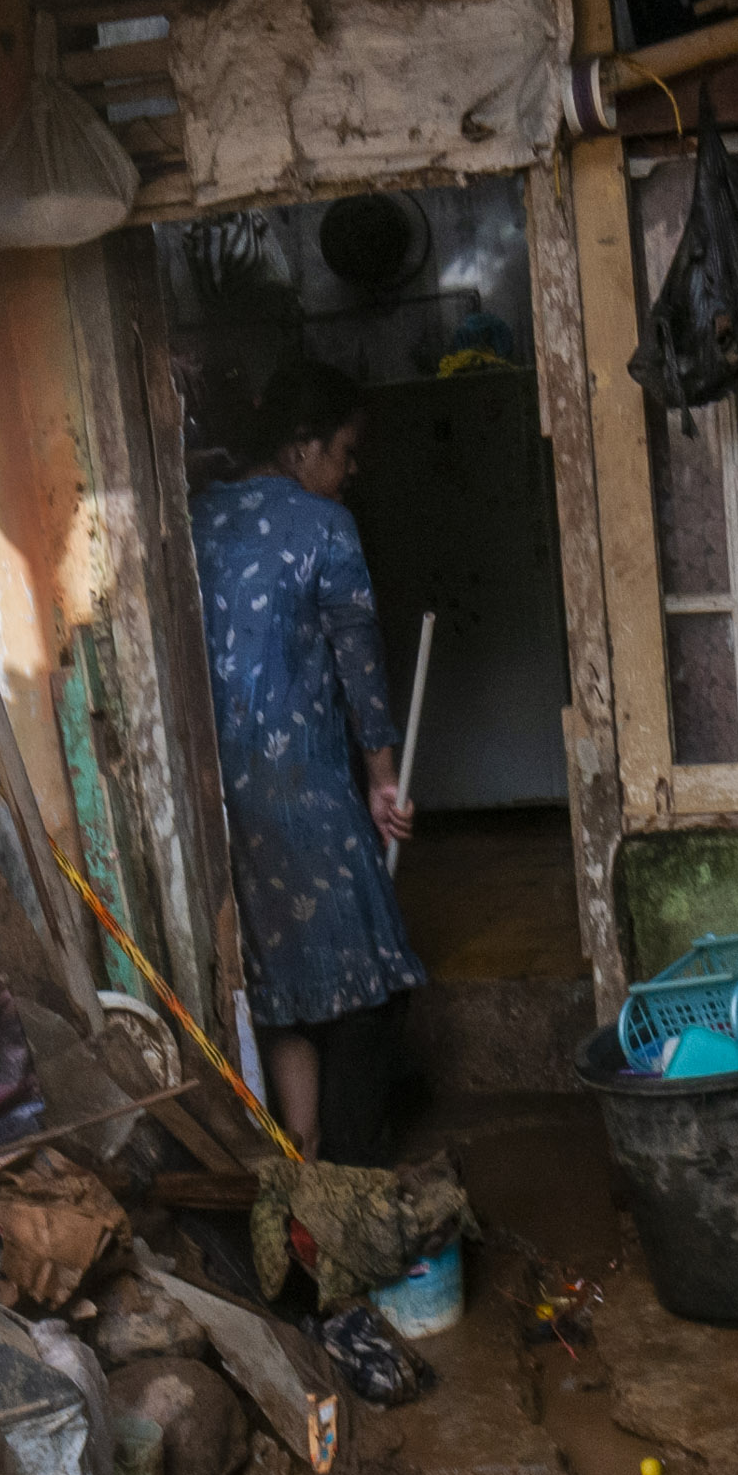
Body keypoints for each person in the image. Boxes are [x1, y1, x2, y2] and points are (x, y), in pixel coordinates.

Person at [190, 361, 421, 1161]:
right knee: (369, 988)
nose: (351, 470)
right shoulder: (325, 526)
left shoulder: (194, 516)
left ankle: (304, 1158)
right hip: (307, 793)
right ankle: (354, 1173)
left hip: (221, 801)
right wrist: (383, 780)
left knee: (278, 991)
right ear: (300, 445)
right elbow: (361, 667)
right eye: (346, 450)